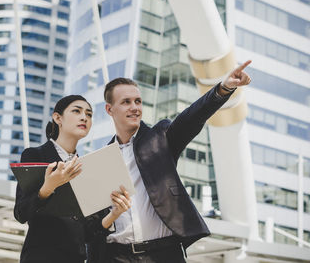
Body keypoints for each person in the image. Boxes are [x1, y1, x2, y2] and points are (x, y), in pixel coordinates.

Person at [89, 61, 253, 262]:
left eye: (138, 101)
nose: (135, 108)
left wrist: (224, 88)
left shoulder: (160, 137)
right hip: (116, 256)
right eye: (126, 102)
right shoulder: (101, 161)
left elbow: (192, 117)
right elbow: (94, 224)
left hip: (163, 254)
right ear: (109, 109)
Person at [14, 95, 131, 263]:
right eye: (77, 111)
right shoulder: (35, 155)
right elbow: (21, 213)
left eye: (89, 114)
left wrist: (115, 213)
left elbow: (88, 234)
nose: (84, 117)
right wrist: (48, 187)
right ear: (57, 118)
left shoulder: (89, 169)